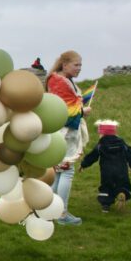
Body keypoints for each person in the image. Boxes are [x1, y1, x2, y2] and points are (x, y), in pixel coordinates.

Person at [46, 50, 91, 226]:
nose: (79, 68)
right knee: (66, 170)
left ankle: (50, 209)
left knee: (58, 172)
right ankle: (61, 213)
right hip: (64, 132)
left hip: (61, 131)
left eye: (80, 64)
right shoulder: (60, 82)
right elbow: (65, 110)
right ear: (65, 65)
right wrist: (82, 111)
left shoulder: (58, 80)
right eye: (76, 64)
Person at [80, 120, 131, 213]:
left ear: (103, 134)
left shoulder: (101, 145)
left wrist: (83, 164)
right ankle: (121, 193)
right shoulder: (122, 143)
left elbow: (93, 156)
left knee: (106, 187)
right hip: (121, 170)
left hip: (107, 172)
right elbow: (130, 154)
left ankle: (105, 206)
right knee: (123, 184)